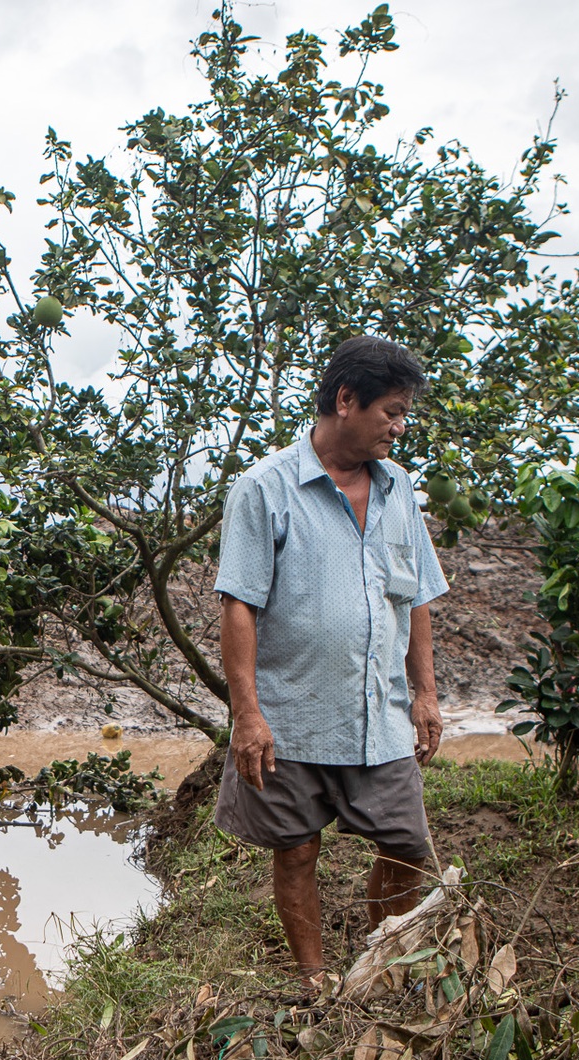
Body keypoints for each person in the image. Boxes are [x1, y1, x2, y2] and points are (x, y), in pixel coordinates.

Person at [213, 334, 447, 994]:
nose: (399, 429)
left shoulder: (398, 489)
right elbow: (238, 606)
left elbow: (417, 594)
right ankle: (315, 976)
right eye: (391, 413)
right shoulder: (265, 490)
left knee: (406, 846)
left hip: (380, 712)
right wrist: (249, 714)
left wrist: (424, 694)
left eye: (403, 415)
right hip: (294, 712)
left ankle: (380, 965)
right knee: (298, 847)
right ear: (346, 401)